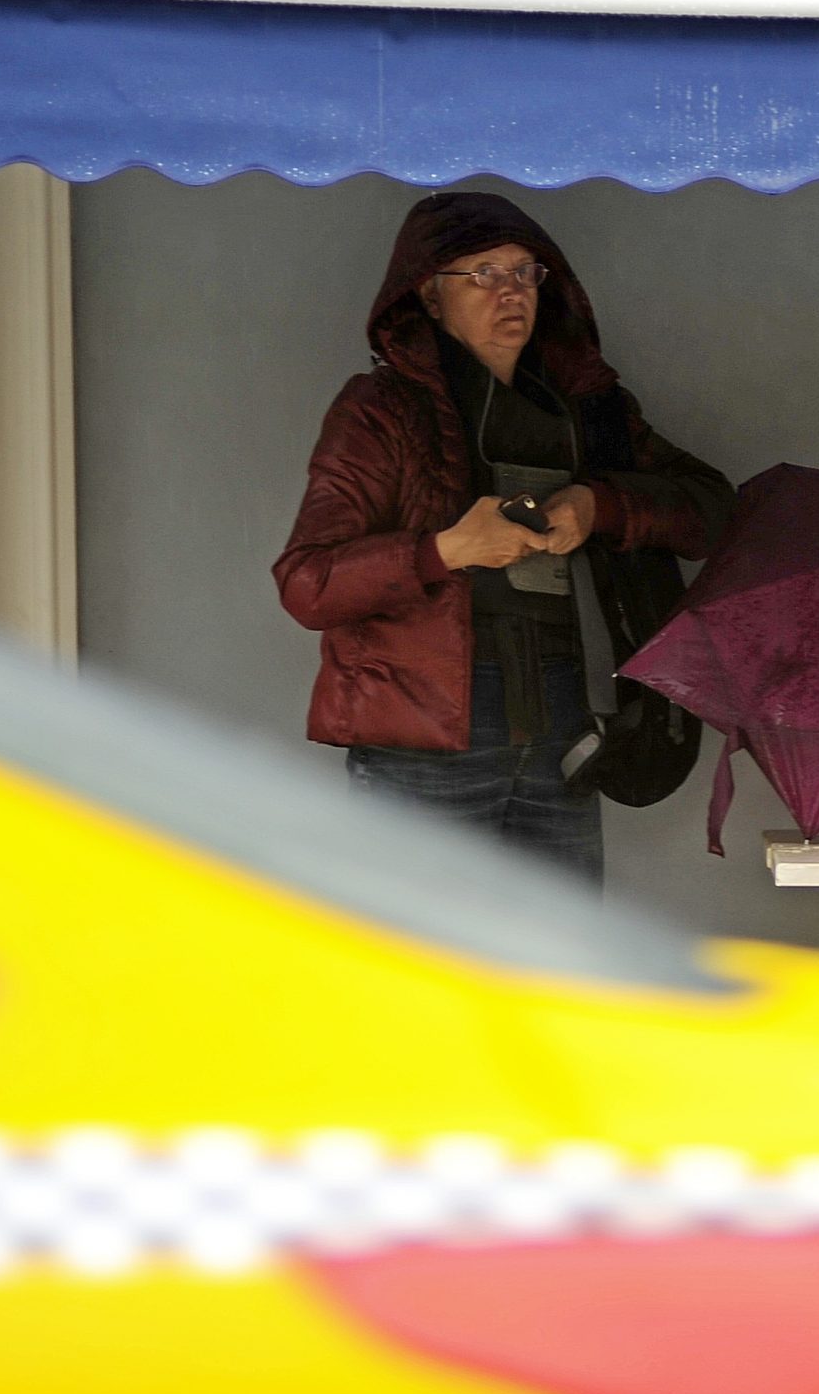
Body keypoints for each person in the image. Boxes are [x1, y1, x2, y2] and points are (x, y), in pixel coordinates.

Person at [274, 192, 732, 880]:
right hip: (427, 733)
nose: (510, 291)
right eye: (482, 274)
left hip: (566, 721)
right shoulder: (381, 410)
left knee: (559, 969)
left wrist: (598, 505)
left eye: (524, 273)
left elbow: (712, 511)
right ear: (429, 296)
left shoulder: (590, 410)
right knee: (419, 973)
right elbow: (307, 584)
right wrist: (447, 549)